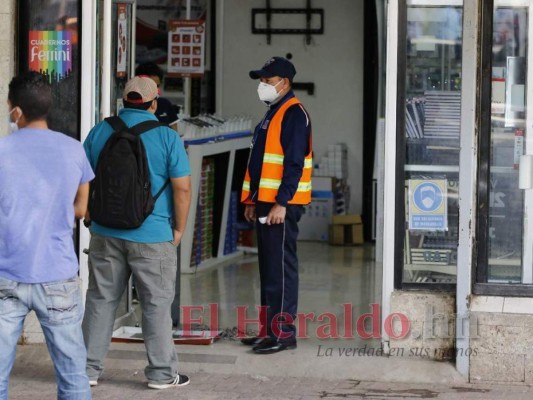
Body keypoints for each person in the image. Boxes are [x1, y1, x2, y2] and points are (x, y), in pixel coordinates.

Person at [82, 76, 192, 389]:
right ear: (153, 103)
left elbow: (82, 177)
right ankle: (160, 374)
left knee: (101, 299)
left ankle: (87, 370)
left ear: (124, 101)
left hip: (105, 231)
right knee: (156, 303)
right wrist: (179, 229)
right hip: (153, 234)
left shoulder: (102, 130)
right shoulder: (166, 137)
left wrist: (90, 214)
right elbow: (182, 188)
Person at [0, 71, 94, 399]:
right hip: (58, 275)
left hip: (6, 275)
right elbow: (81, 209)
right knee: (72, 378)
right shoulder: (74, 151)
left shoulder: (2, 151)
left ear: (16, 111)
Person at [240, 57, 312, 354]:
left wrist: (281, 203)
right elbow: (260, 163)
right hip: (265, 203)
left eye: (268, 82)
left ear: (285, 83)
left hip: (280, 206)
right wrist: (251, 199)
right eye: (262, 81)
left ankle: (282, 334)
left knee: (280, 269)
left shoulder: (294, 114)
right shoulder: (273, 113)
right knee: (269, 269)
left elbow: (294, 164)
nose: (263, 86)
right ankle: (268, 330)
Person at [135, 62, 179, 128]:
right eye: (150, 85)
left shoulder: (164, 104)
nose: (155, 90)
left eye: (157, 86)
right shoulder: (132, 107)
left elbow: (174, 133)